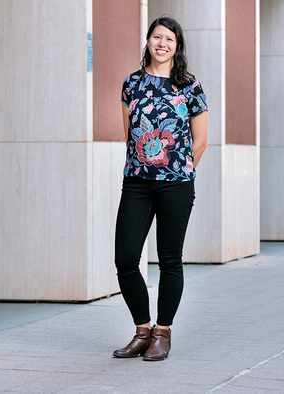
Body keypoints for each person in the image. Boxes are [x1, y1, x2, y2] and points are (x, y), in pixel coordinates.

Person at [112, 16, 208, 361]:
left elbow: (201, 140)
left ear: (177, 46)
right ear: (148, 41)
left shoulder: (190, 87)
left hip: (176, 186)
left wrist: (179, 170)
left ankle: (162, 332)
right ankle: (142, 329)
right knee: (125, 257)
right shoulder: (131, 83)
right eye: (157, 37)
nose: (162, 43)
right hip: (136, 182)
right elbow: (130, 134)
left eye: (169, 39)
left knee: (169, 259)